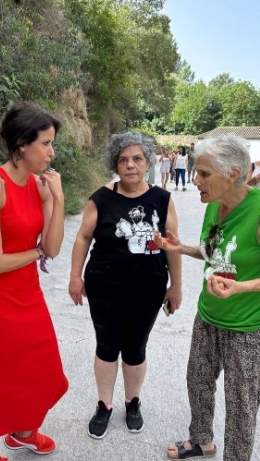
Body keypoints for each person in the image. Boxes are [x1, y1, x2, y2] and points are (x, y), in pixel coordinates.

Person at [154, 135, 260, 461]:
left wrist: (241, 287)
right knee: (198, 381)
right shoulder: (215, 204)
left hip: (250, 325)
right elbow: (214, 251)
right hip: (209, 315)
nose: (195, 180)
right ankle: (201, 440)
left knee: (241, 402)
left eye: (204, 174)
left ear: (232, 173)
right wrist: (181, 248)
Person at [68, 132, 182, 440]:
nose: (130, 165)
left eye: (136, 159)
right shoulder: (101, 198)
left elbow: (172, 245)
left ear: (148, 163)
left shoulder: (162, 199)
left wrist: (176, 286)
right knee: (106, 345)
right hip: (104, 285)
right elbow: (82, 237)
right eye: (123, 160)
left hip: (149, 287)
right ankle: (104, 405)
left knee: (135, 347)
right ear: (115, 164)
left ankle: (132, 403)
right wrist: (75, 276)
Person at [0, 101, 69, 461]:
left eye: (51, 143)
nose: (51, 151)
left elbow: (54, 248)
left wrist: (58, 199)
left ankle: (23, 433)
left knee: (43, 370)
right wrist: (37, 253)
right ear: (22, 145)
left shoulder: (40, 186)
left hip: (29, 291)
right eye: (45, 143)